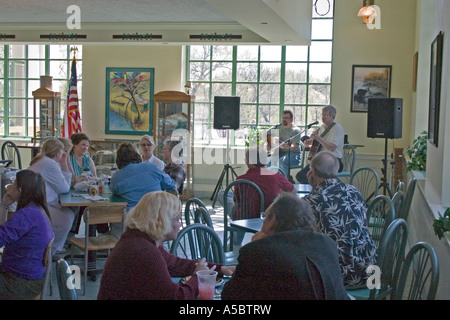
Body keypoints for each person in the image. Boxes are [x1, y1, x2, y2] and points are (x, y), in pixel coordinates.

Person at [97, 191, 235, 300]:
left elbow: (175, 264)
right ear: (162, 221)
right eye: (177, 219)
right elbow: (177, 297)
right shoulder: (143, 251)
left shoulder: (138, 239)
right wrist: (197, 276)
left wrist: (219, 269)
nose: (180, 224)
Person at [221, 192, 349, 300]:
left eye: (265, 217)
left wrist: (255, 245)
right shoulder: (327, 243)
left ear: (272, 221)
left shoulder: (258, 251)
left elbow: (229, 296)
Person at [302, 151, 377, 287]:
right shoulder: (354, 191)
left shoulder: (310, 201)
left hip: (341, 276)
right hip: (371, 270)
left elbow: (302, 238)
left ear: (311, 172)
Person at [220, 146, 295, 246]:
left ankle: (235, 244)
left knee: (224, 194)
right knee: (241, 210)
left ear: (250, 162)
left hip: (244, 216)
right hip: (268, 217)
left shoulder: (241, 180)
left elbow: (236, 203)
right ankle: (235, 242)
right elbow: (293, 191)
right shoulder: (276, 176)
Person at [0, 170, 55, 300]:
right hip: (30, 279)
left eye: (13, 185)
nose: (10, 187)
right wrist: (3, 206)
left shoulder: (26, 215)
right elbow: (4, 232)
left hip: (18, 283)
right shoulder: (38, 210)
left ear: (19, 190)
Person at [28, 138, 73, 256]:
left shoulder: (46, 161)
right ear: (58, 152)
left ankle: (57, 248)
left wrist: (63, 164)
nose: (64, 153)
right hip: (35, 205)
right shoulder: (49, 164)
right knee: (66, 220)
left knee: (70, 213)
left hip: (41, 201)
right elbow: (64, 188)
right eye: (63, 151)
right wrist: (64, 164)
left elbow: (64, 185)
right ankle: (48, 253)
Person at [110, 142, 177, 209]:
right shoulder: (152, 167)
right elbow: (171, 185)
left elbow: (114, 191)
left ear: (118, 159)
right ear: (136, 155)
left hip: (133, 215)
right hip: (156, 213)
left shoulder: (116, 177)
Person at [296, 105, 345, 184]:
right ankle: (314, 192)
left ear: (332, 116)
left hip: (333, 161)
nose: (323, 117)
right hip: (321, 160)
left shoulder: (337, 128)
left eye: (325, 115)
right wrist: (309, 142)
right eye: (322, 115)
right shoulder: (321, 127)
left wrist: (318, 138)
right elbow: (319, 143)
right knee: (301, 176)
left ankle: (316, 192)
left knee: (308, 176)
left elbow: (332, 147)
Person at [267, 110, 302, 179]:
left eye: (286, 118)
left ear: (291, 120)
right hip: (280, 153)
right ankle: (270, 183)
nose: (284, 120)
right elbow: (267, 135)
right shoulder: (278, 127)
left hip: (293, 154)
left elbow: (292, 147)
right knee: (267, 161)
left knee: (281, 162)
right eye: (283, 118)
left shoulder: (296, 130)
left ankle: (284, 184)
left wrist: (280, 143)